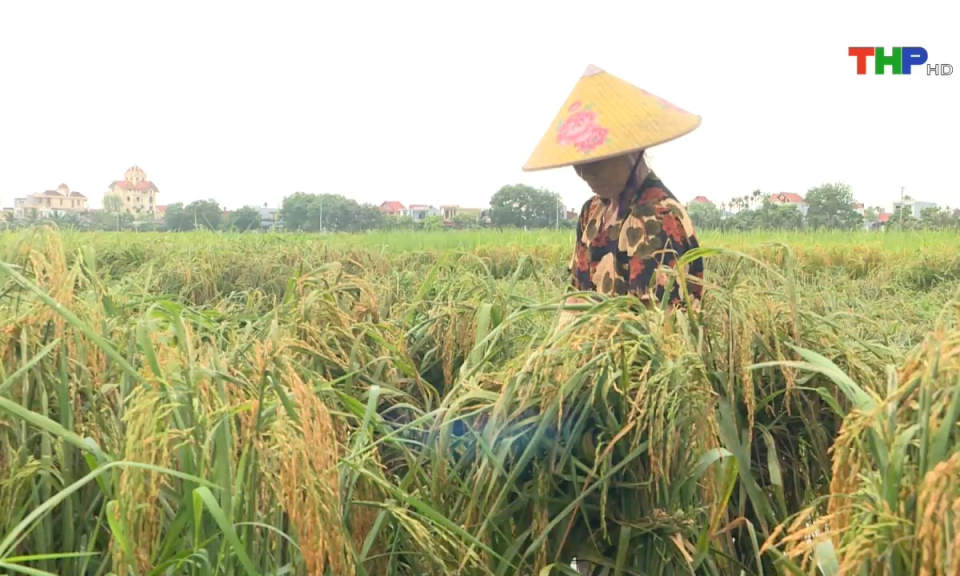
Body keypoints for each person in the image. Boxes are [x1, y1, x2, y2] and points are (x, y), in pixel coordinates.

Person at [521, 65, 705, 575]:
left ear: (631, 150)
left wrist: (607, 387)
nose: (584, 172)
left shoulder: (659, 217)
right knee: (588, 527)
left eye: (595, 161)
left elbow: (660, 332)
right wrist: (548, 370)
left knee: (635, 530)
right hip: (591, 394)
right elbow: (575, 300)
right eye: (577, 163)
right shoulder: (591, 214)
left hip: (641, 402)